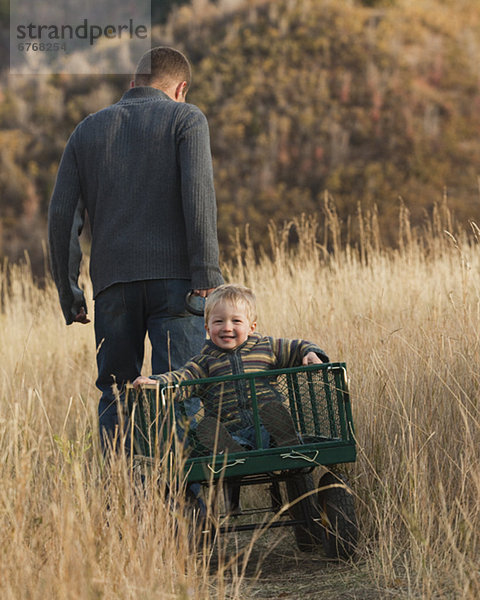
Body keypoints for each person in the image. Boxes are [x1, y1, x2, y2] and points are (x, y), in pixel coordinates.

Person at [48, 46, 223, 452]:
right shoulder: (187, 118)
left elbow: (61, 219)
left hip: (112, 287)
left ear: (133, 83)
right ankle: (185, 506)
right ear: (181, 88)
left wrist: (69, 292)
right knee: (181, 390)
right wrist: (207, 278)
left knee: (116, 394)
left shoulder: (86, 130)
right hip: (178, 284)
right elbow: (198, 199)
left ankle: (122, 499)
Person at [133, 283, 330, 453]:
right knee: (218, 433)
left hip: (265, 424)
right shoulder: (204, 361)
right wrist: (156, 381)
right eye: (218, 321)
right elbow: (182, 378)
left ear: (251, 327)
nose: (227, 327)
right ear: (207, 329)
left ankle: (284, 438)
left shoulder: (267, 347)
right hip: (231, 430)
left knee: (272, 421)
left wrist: (311, 354)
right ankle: (233, 450)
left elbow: (296, 347)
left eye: (236, 321)